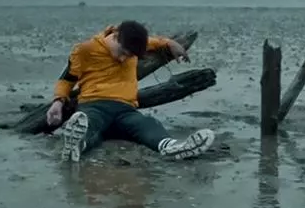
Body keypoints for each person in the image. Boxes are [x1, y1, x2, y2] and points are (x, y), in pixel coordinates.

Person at [46, 21, 216, 162]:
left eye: (129, 56)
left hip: (125, 110)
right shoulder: (85, 50)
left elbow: (154, 41)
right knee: (90, 127)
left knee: (147, 123)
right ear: (117, 37)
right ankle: (77, 145)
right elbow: (67, 79)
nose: (122, 59)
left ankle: (171, 147)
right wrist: (58, 102)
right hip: (94, 105)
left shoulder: (135, 45)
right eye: (123, 53)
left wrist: (171, 44)